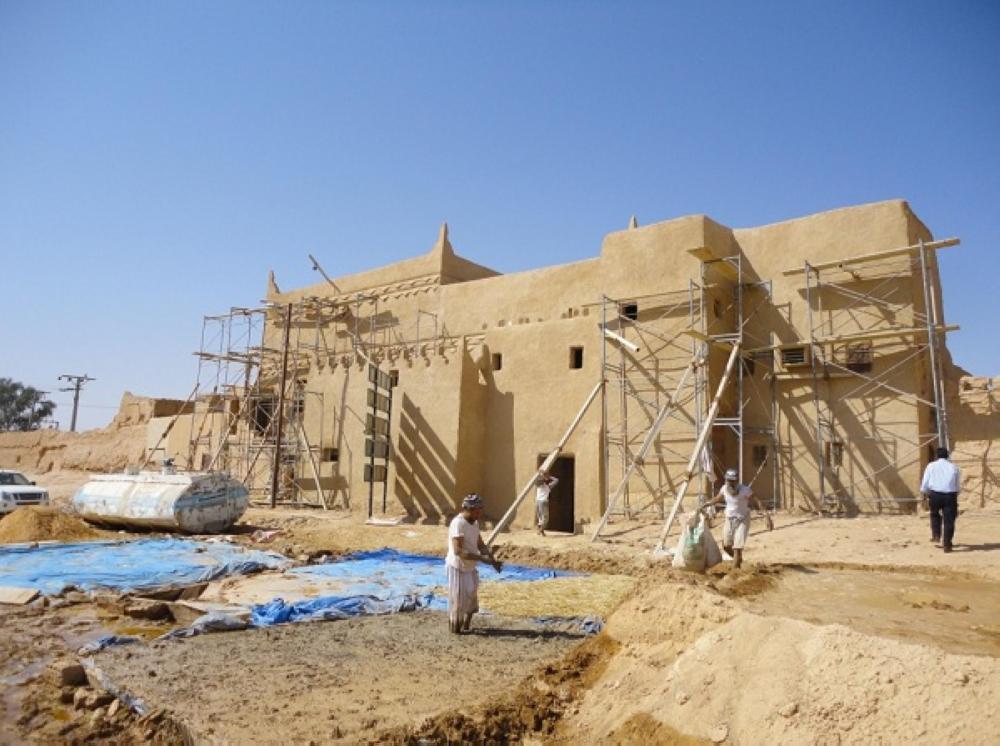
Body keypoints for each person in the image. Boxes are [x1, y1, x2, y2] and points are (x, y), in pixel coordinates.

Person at [445, 493, 503, 633]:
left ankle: (466, 624)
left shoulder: (474, 523)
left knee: (471, 596)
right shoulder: (458, 524)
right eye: (477, 511)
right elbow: (458, 551)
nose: (479, 514)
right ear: (468, 509)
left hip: (470, 566)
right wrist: (482, 559)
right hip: (457, 567)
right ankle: (455, 628)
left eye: (480, 511)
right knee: (458, 601)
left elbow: (480, 544)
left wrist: (492, 560)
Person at [710, 468, 772, 569]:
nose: (730, 483)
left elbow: (757, 501)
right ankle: (738, 559)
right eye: (728, 480)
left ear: (737, 481)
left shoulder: (745, 490)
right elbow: (717, 498)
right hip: (729, 519)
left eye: (732, 481)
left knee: (737, 547)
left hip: (743, 519)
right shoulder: (724, 489)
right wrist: (706, 504)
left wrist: (767, 517)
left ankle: (735, 571)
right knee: (726, 546)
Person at [920, 447, 961, 553]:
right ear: (947, 456)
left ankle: (936, 535)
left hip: (935, 494)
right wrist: (956, 494)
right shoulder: (954, 467)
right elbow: (957, 485)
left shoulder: (931, 466)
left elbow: (925, 481)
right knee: (949, 520)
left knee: (934, 514)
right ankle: (947, 544)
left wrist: (924, 492)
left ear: (936, 456)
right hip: (950, 495)